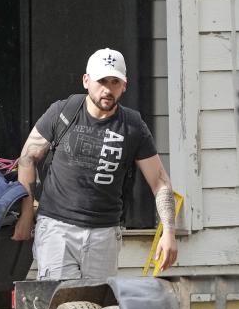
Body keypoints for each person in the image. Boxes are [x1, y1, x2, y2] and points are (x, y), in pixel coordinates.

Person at [11, 48, 178, 279]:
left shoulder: (132, 125)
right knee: (61, 306)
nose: (108, 89)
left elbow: (160, 182)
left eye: (115, 82)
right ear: (86, 81)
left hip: (105, 234)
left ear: (124, 85)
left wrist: (169, 231)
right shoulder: (63, 112)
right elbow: (28, 158)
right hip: (58, 229)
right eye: (101, 81)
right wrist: (26, 215)